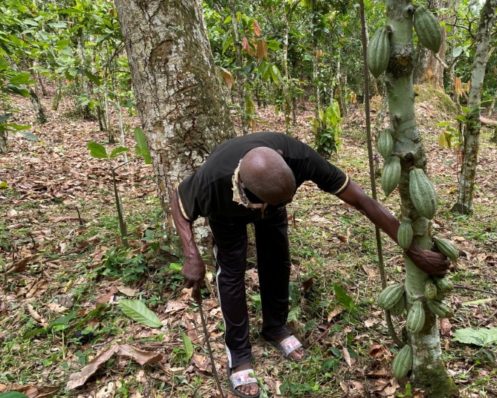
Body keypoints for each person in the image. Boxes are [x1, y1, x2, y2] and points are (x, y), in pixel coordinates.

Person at [171, 132, 447, 398]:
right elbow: (179, 205)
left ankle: (275, 327)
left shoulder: (298, 157)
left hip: (271, 198)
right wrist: (191, 254)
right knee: (231, 274)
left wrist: (411, 248)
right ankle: (240, 355)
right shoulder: (213, 181)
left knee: (277, 261)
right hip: (227, 214)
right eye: (266, 205)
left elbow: (361, 200)